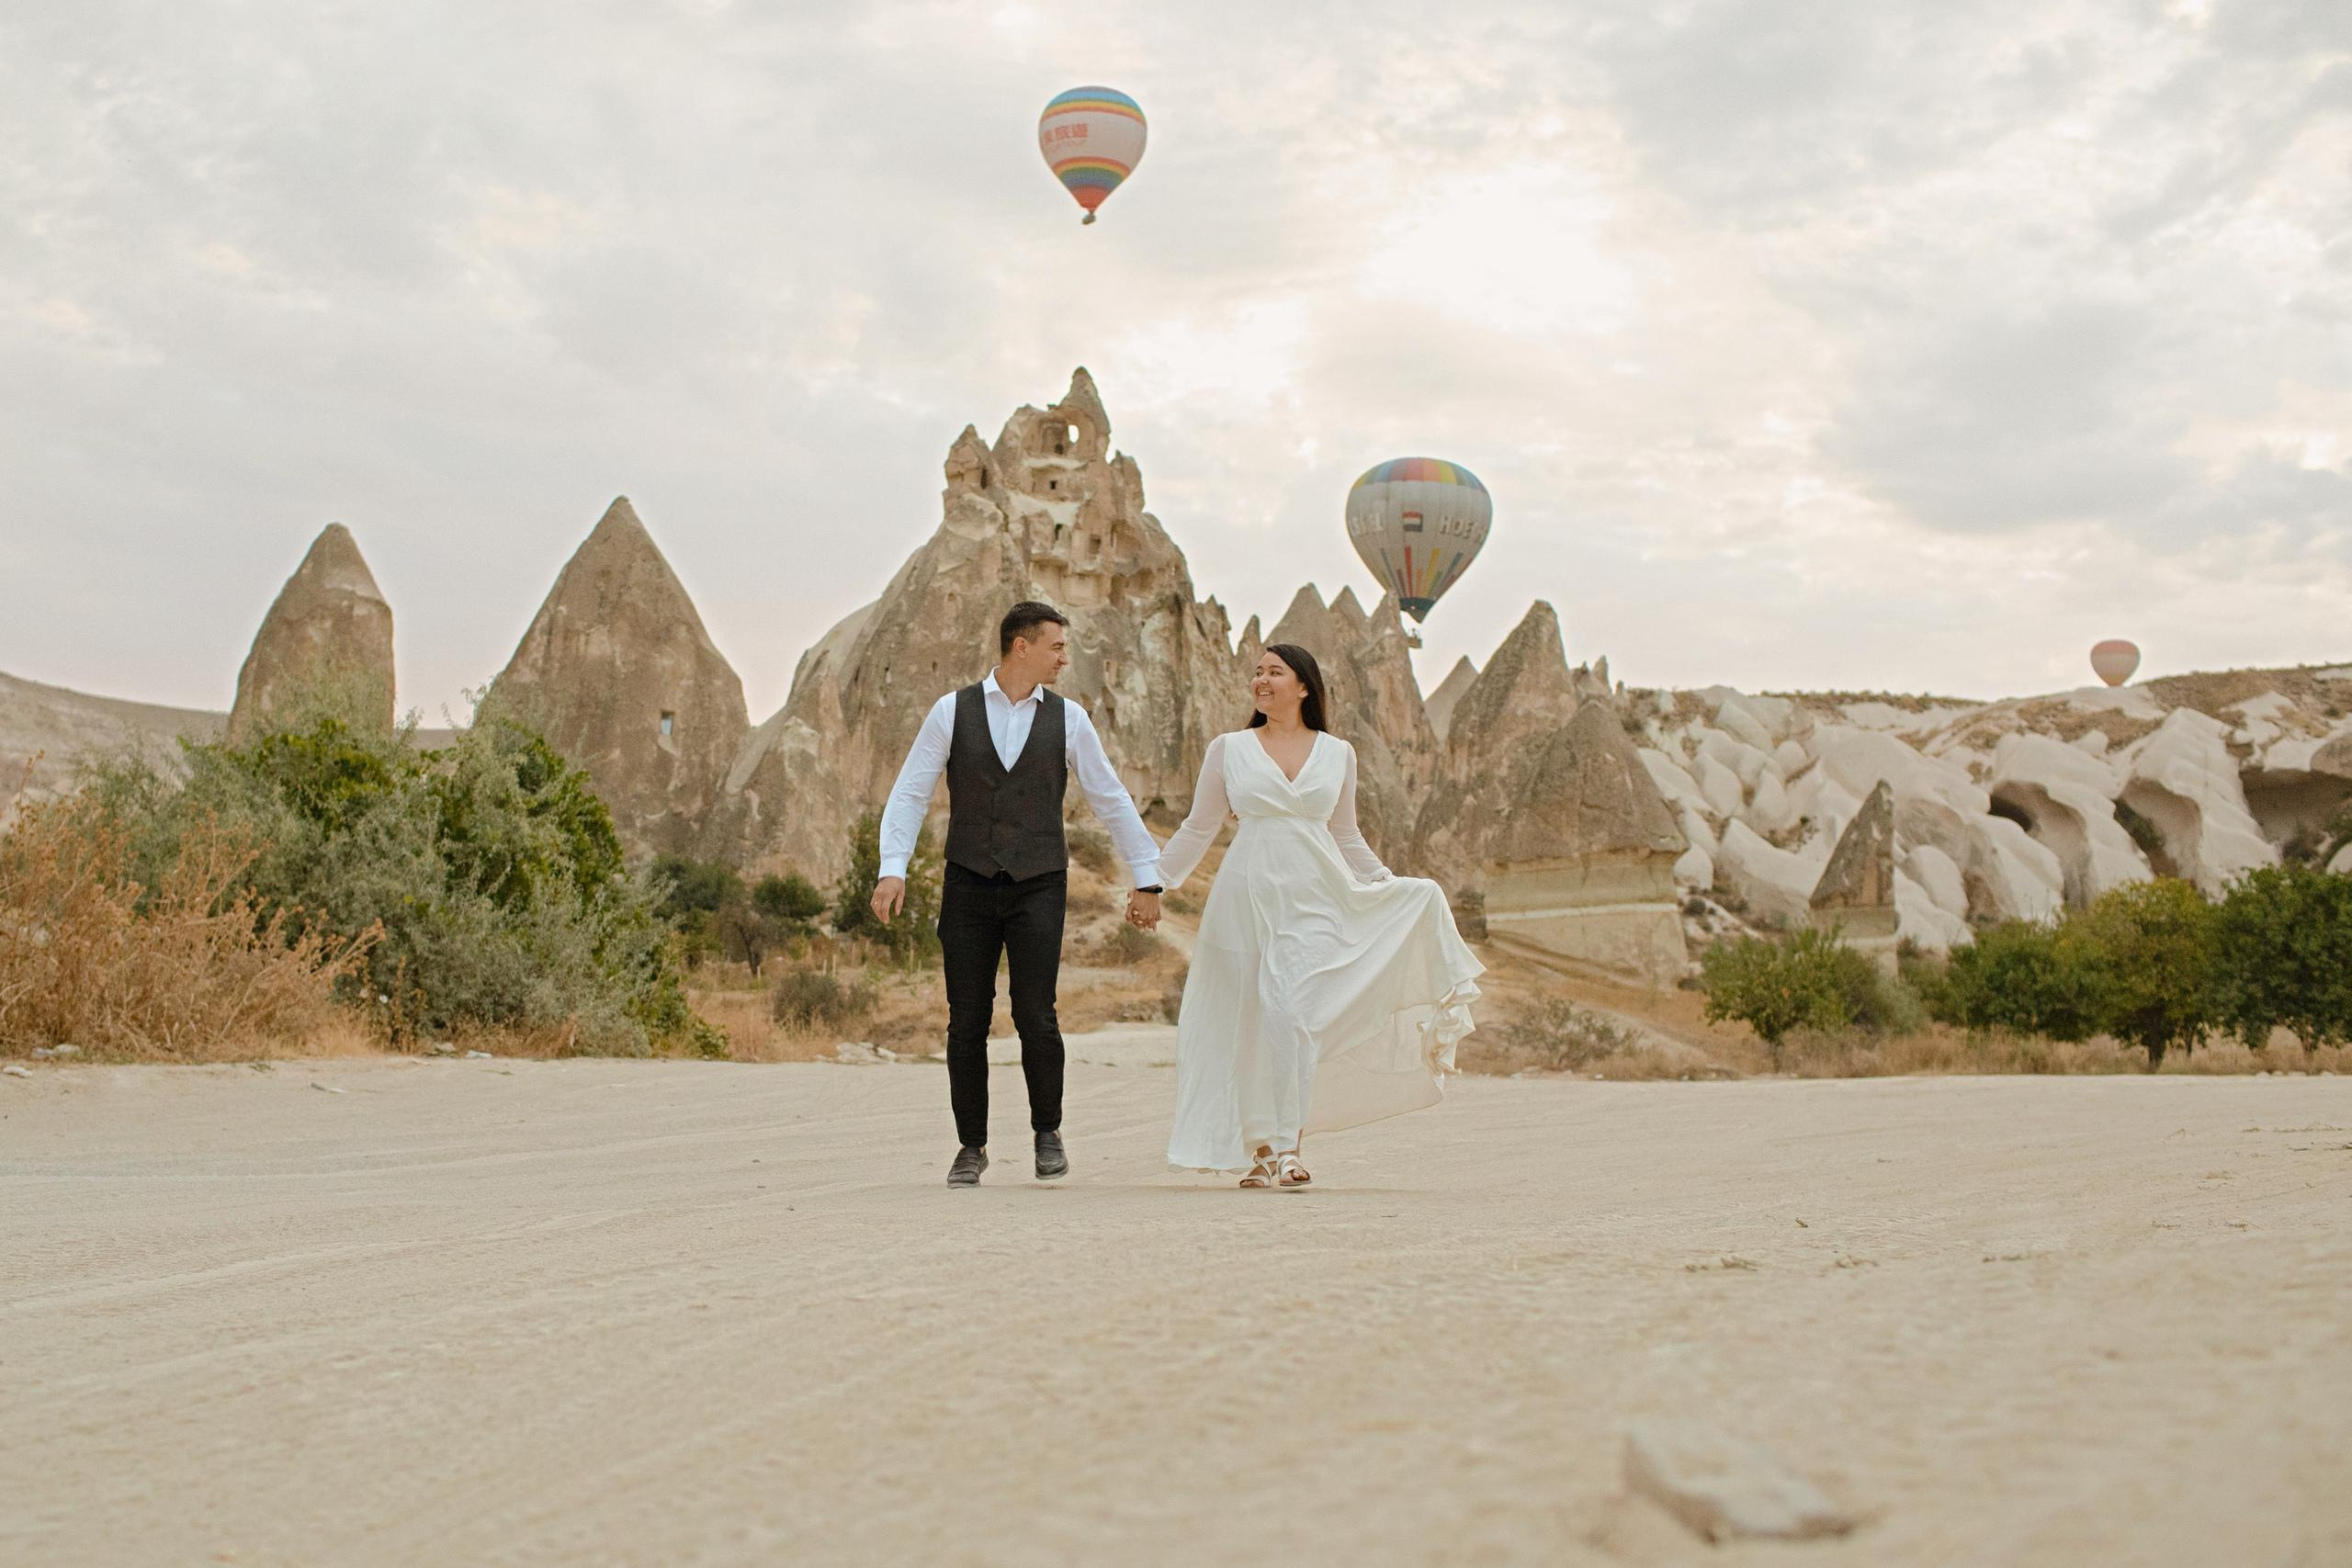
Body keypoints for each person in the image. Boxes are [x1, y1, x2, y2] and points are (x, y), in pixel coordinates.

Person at [1150, 644, 1483, 1188]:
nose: (1261, 680)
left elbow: (1345, 833)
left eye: (1274, 672)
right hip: (1246, 896)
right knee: (1249, 1022)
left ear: (1303, 686)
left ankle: (1288, 1147)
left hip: (1317, 898)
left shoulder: (1338, 753)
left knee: (1292, 1014)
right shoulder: (1229, 748)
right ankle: (1259, 1149)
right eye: (1257, 672)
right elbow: (1197, 826)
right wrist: (1154, 883)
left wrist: (1384, 884)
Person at [871, 602, 1164, 1187]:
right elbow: (910, 793)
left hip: (1039, 883)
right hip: (968, 882)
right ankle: (971, 1146)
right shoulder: (951, 711)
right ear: (1020, 646)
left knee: (1037, 1015)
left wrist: (1146, 874)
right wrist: (892, 866)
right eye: (1056, 646)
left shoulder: (1070, 718)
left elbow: (1109, 797)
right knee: (966, 1022)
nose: (1064, 657)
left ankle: (1047, 1131)